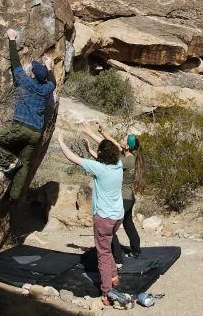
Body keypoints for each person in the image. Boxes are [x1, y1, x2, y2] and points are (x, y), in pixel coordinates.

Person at [0, 28, 55, 201]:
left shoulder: (24, 82)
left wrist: (11, 39)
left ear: (31, 73)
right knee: (25, 165)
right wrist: (49, 68)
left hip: (20, 127)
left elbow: (15, 63)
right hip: (36, 133)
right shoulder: (46, 88)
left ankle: (9, 159)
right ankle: (14, 197)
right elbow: (52, 82)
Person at [58, 132, 124, 307]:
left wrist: (60, 141)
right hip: (118, 216)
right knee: (107, 247)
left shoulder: (99, 168)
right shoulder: (118, 164)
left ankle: (107, 291)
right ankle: (114, 275)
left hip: (104, 217)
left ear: (101, 154)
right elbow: (114, 147)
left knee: (102, 253)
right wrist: (90, 146)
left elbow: (72, 157)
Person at [81, 123, 144, 263]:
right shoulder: (129, 156)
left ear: (127, 146)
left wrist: (90, 143)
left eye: (124, 139)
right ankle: (136, 250)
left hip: (123, 198)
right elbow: (112, 144)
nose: (120, 139)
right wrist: (99, 133)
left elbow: (109, 151)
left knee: (110, 230)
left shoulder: (125, 161)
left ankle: (117, 259)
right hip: (129, 197)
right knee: (128, 224)